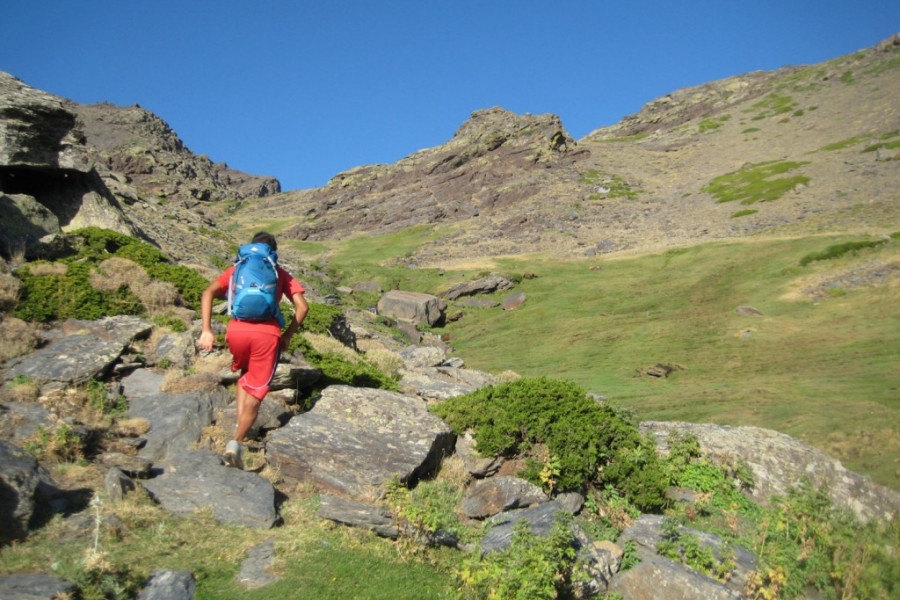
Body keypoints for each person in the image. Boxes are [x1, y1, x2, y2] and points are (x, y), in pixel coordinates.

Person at [198, 232, 308, 469]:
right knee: (257, 391)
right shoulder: (279, 274)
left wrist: (206, 329)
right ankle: (235, 443)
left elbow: (207, 293)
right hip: (266, 336)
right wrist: (287, 335)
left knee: (244, 375)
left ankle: (242, 430)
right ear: (273, 252)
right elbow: (303, 307)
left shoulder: (237, 269)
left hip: (236, 332)